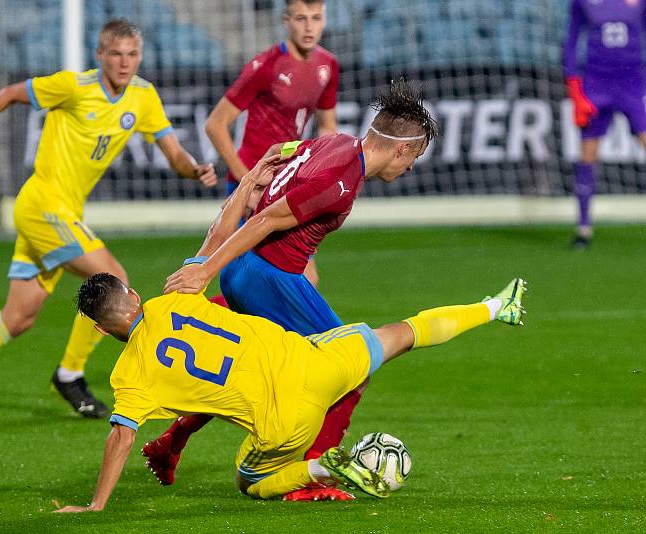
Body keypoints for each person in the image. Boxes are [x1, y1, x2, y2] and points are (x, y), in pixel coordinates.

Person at [0, 19, 217, 421]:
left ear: (140, 56)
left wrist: (194, 169)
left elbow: (173, 153)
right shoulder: (74, 86)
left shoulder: (143, 97)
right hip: (43, 206)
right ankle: (70, 374)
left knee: (18, 317)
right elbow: (8, 95)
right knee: (113, 281)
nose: (124, 62)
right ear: (100, 55)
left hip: (62, 213)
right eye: (115, 54)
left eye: (132, 54)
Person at [142, 79, 438, 499]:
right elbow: (265, 221)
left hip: (247, 269)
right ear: (401, 149)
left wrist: (254, 181)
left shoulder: (334, 142)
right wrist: (204, 270)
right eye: (414, 159)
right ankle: (307, 477)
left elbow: (281, 152)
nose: (409, 169)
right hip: (269, 279)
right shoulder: (340, 181)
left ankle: (172, 442)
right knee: (354, 368)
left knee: (240, 364)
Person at [53, 268, 526, 511]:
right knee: (403, 332)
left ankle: (322, 465)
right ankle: (494, 306)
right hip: (317, 362)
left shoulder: (130, 375)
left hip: (286, 422)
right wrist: (248, 185)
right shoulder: (174, 296)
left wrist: (96, 505)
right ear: (133, 295)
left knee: (248, 482)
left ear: (99, 329)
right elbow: (213, 243)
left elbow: (121, 436)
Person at [205, 0, 339, 289]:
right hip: (253, 181)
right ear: (286, 20)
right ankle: (191, 323)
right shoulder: (266, 66)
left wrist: (327, 169)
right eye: (301, 18)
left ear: (324, 20)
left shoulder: (328, 65)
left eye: (315, 18)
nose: (309, 26)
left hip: (288, 182)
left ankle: (198, 325)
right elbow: (215, 124)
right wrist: (247, 182)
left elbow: (328, 125)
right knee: (270, 283)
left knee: (295, 281)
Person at [563, 0, 646, 249]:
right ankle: (584, 228)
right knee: (588, 155)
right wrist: (575, 90)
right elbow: (570, 41)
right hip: (596, 84)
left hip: (632, 82)